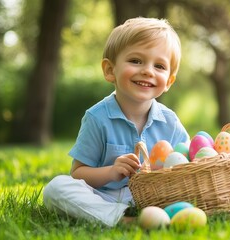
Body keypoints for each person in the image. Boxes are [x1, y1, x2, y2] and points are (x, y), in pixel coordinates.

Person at [43, 17, 189, 227]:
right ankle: (121, 218)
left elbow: (188, 163)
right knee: (56, 188)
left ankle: (158, 214)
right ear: (110, 70)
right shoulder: (97, 118)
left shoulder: (170, 122)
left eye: (159, 65)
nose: (148, 70)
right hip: (106, 197)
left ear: (168, 81)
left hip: (157, 196)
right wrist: (111, 171)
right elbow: (78, 174)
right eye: (136, 61)